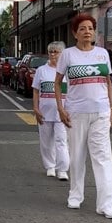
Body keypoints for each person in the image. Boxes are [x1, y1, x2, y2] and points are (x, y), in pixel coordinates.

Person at [54, 14, 112, 219]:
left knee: (103, 157)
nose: (87, 31)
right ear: (75, 33)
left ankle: (106, 204)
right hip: (76, 112)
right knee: (77, 155)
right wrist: (61, 109)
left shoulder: (102, 54)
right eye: (82, 28)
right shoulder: (68, 55)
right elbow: (57, 83)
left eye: (90, 28)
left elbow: (107, 81)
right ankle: (76, 194)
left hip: (100, 112)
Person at [32, 41, 69, 180]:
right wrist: (36, 108)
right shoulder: (41, 70)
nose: (53, 54)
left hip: (62, 113)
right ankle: (50, 166)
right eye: (51, 52)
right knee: (46, 141)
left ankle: (63, 169)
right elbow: (36, 91)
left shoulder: (67, 71)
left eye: (56, 52)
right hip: (45, 112)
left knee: (62, 140)